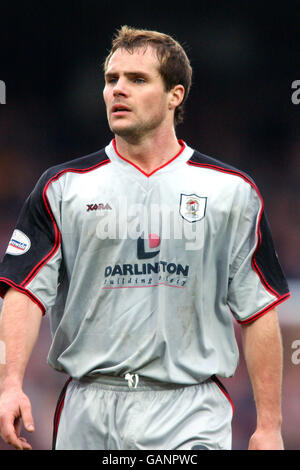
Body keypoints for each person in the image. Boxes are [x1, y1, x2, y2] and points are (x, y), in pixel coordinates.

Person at [0, 26, 290, 451]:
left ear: (175, 95)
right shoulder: (61, 188)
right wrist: (10, 384)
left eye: (137, 79)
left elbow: (259, 309)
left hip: (190, 408)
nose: (118, 89)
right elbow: (23, 293)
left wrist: (269, 426)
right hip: (88, 406)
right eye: (111, 79)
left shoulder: (232, 192)